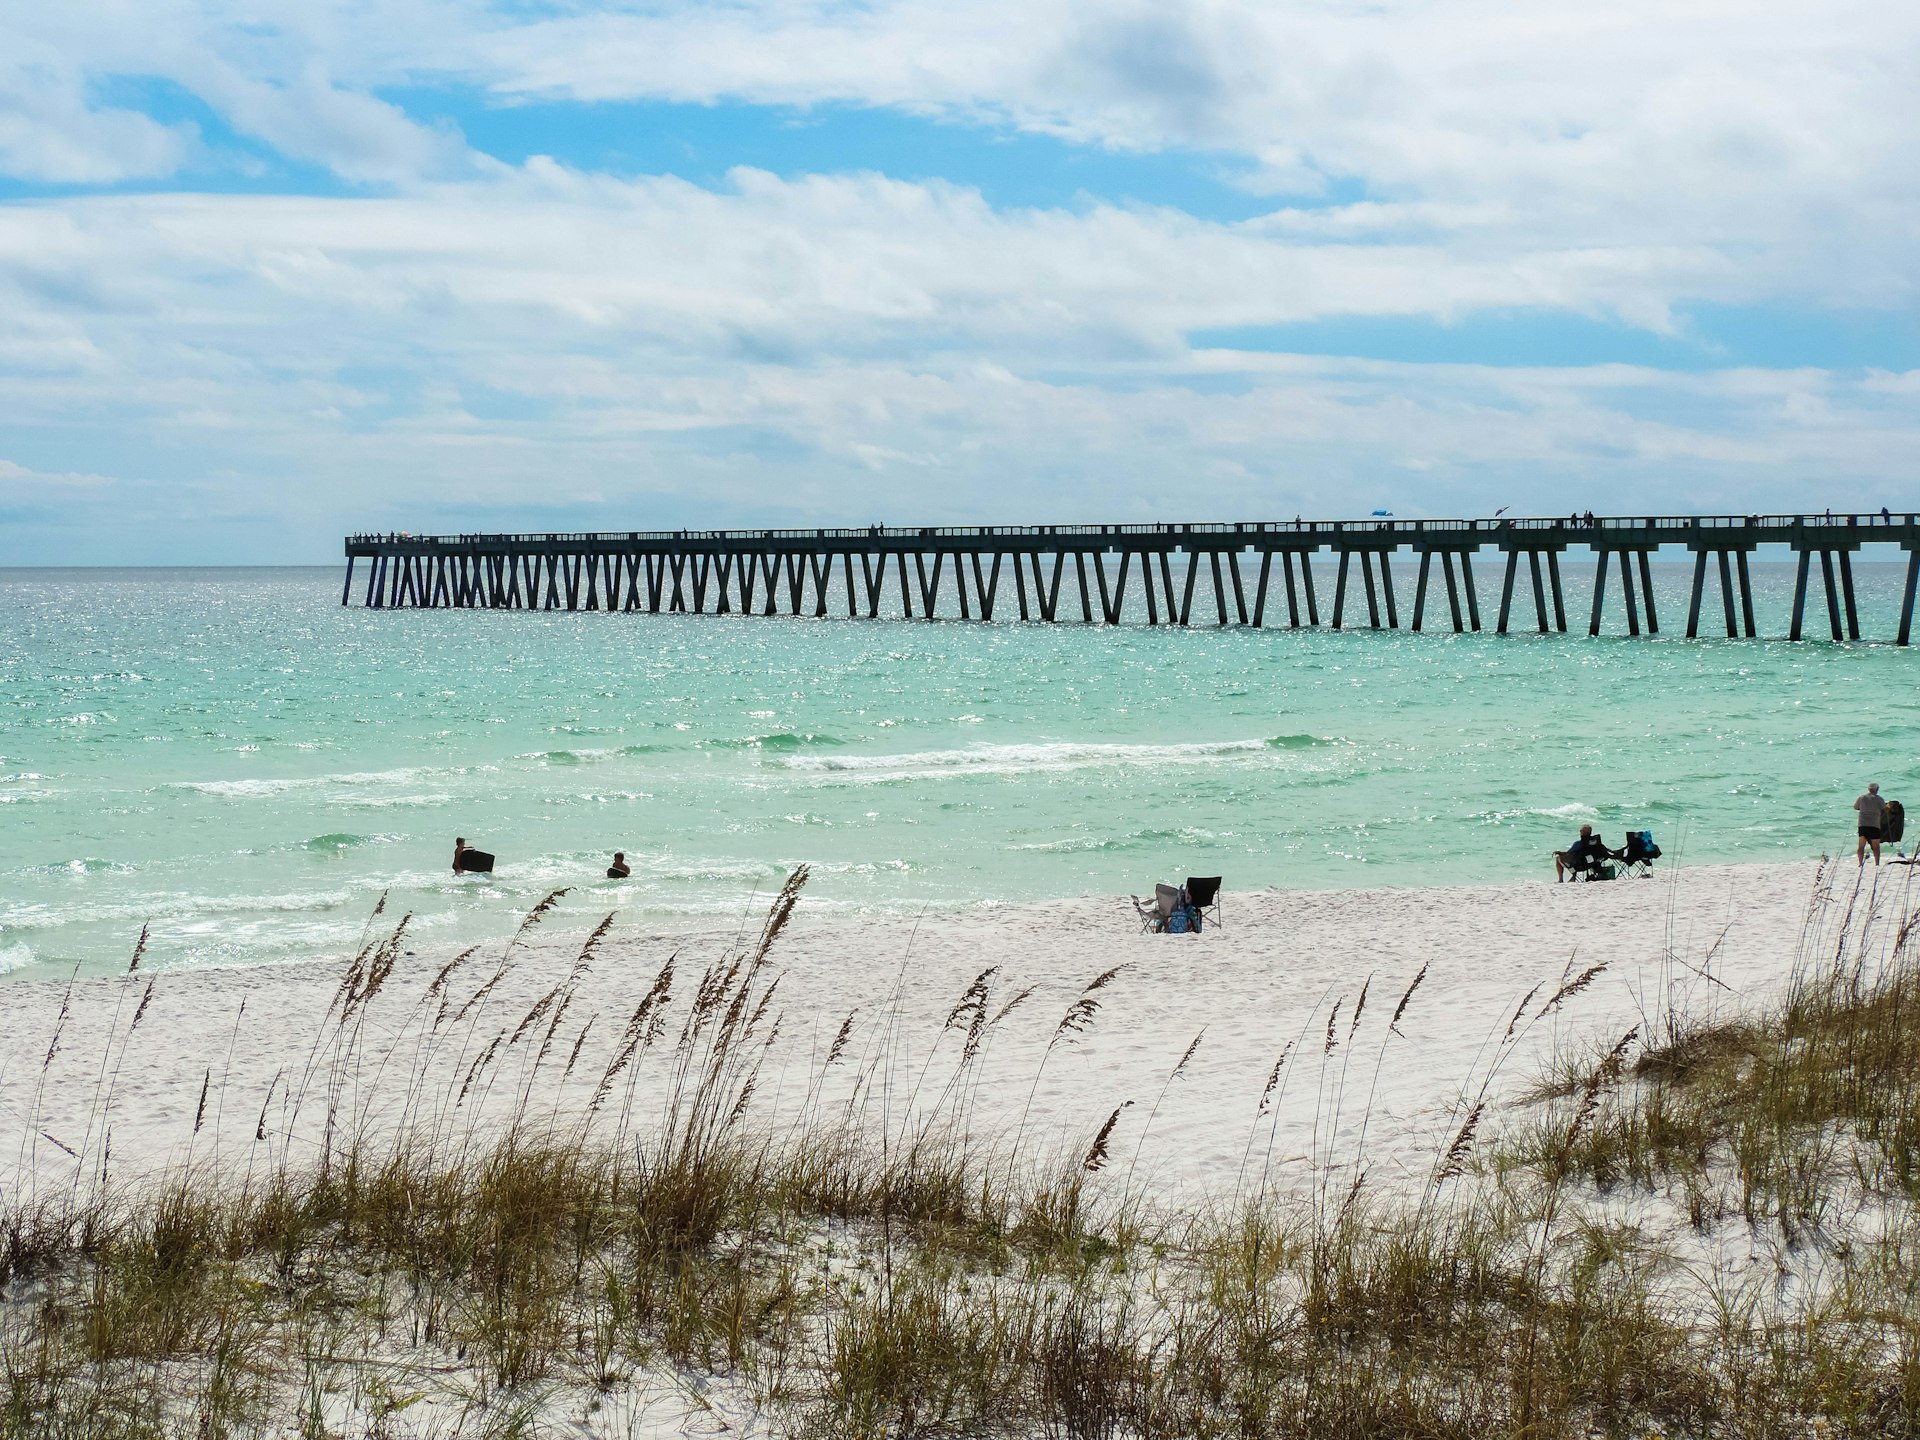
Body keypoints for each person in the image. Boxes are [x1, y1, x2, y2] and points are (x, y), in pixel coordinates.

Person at [1855, 783, 1886, 866]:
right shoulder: (1879, 799)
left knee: (1861, 845)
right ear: (1877, 789)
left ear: (1868, 789)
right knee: (1876, 846)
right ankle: (1877, 863)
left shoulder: (1861, 798)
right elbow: (1884, 809)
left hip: (1862, 825)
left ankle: (1860, 863)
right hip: (1874, 825)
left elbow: (1855, 807)